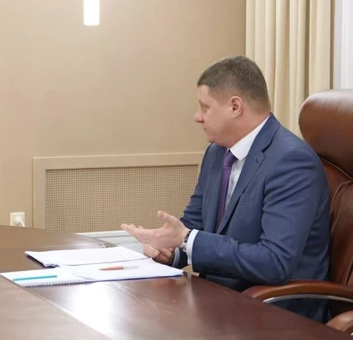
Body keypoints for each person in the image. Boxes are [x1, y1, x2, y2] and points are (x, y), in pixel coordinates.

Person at [122, 56, 329, 321]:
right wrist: (168, 251)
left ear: (235, 106)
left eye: (205, 107)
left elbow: (275, 262)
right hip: (218, 302)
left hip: (275, 314)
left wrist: (186, 239)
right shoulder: (217, 153)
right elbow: (194, 227)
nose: (197, 117)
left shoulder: (291, 161)